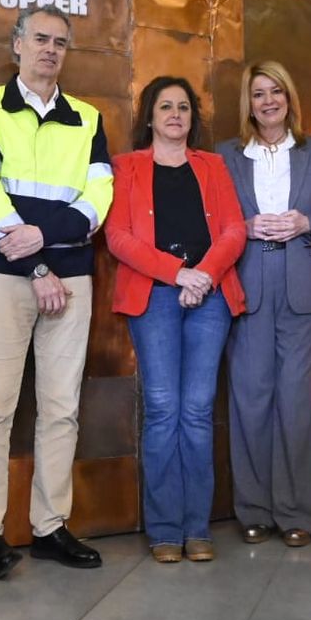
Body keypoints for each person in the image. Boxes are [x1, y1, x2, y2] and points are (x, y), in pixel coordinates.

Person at [0, 5, 114, 578]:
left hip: (71, 277)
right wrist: (37, 267)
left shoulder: (89, 117)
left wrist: (45, 242)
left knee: (60, 409)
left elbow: (98, 200)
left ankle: (50, 527)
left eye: (60, 42)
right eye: (40, 39)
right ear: (17, 45)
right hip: (5, 274)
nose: (50, 49)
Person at [105, 76, 246, 563]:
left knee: (197, 411)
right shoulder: (126, 167)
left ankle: (197, 527)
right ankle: (165, 530)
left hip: (209, 295)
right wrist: (178, 273)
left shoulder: (212, 165)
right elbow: (118, 237)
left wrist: (203, 275)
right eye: (165, 106)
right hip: (155, 297)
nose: (175, 115)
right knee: (164, 409)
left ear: (192, 117)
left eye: (183, 107)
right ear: (149, 116)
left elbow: (234, 229)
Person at [215, 61, 311, 548]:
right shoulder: (224, 155)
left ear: (289, 98)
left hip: (302, 286)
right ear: (249, 102)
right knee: (251, 401)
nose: (268, 101)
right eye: (258, 93)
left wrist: (307, 224)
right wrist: (244, 226)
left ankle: (298, 510)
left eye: (276, 91)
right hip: (247, 286)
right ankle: (255, 510)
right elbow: (215, 219)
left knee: (298, 403)